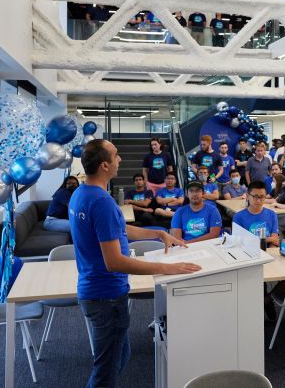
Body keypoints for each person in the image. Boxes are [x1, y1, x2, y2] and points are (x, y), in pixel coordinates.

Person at [69, 140, 199, 387]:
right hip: (105, 296)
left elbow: (115, 229)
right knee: (104, 373)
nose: (120, 159)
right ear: (105, 165)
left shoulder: (81, 193)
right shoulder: (101, 201)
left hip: (95, 292)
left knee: (119, 357)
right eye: (117, 155)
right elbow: (115, 262)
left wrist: (157, 233)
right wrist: (167, 269)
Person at [233, 180, 280, 247]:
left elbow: (275, 241)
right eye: (255, 196)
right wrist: (267, 239)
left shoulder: (272, 214)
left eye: (262, 197)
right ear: (247, 196)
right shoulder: (238, 217)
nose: (258, 200)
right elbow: (238, 243)